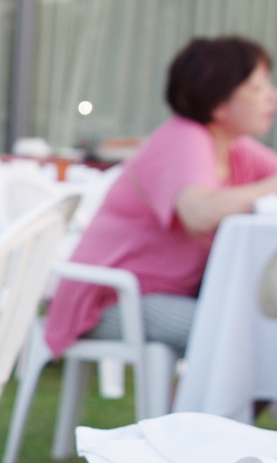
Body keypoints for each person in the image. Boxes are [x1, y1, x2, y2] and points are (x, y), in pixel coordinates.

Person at [44, 36, 277, 358]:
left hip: (170, 296)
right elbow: (200, 212)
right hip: (110, 299)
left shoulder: (234, 147)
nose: (271, 96)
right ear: (218, 101)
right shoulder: (184, 137)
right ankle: (204, 410)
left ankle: (214, 409)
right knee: (243, 334)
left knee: (259, 330)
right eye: (257, 86)